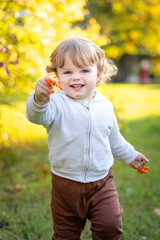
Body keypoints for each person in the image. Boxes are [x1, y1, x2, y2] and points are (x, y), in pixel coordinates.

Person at [26, 37, 149, 240]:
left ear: (99, 73)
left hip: (101, 183)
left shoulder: (105, 106)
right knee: (66, 234)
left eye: (84, 70)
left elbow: (114, 139)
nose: (76, 77)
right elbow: (36, 116)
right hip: (65, 184)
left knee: (110, 226)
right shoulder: (55, 103)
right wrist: (39, 99)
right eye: (67, 72)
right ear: (56, 76)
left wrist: (131, 155)